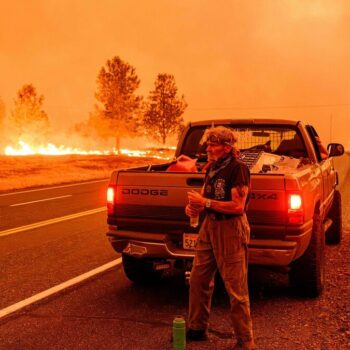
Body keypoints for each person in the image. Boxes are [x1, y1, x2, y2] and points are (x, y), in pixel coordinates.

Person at [185, 126, 255, 350]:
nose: (208, 148)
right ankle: (197, 327)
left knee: (236, 288)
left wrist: (204, 203)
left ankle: (245, 341)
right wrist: (193, 207)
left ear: (226, 147)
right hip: (209, 227)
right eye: (208, 144)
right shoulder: (212, 168)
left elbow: (237, 206)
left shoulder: (239, 169)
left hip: (231, 229)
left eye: (212, 144)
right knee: (198, 278)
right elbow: (205, 197)